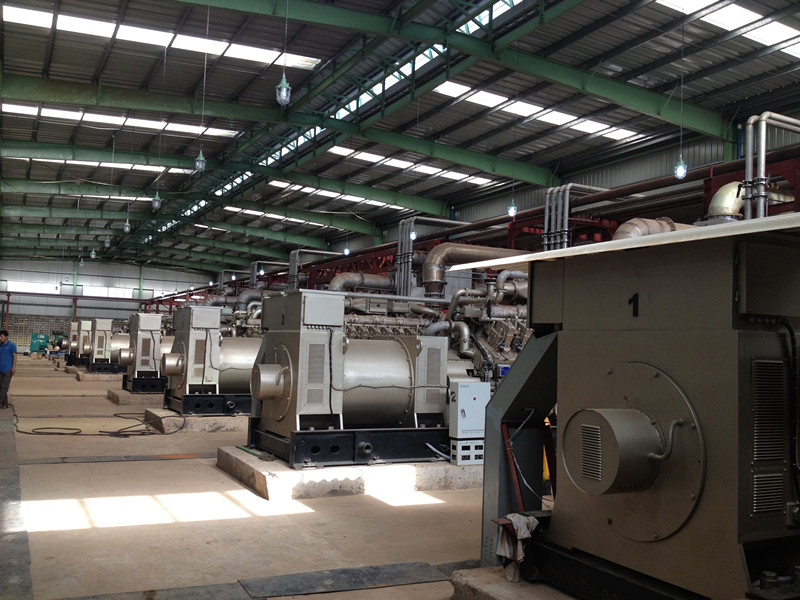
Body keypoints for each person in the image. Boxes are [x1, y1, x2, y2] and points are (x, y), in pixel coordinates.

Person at [0, 329, 18, 409]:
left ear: (6, 337)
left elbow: (15, 357)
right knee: (1, 387)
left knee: (4, 387)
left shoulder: (12, 345)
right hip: (0, 369)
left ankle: (0, 402)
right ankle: (4, 404)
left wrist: (13, 367)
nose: (0, 338)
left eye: (1, 336)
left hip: (7, 370)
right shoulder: (0, 345)